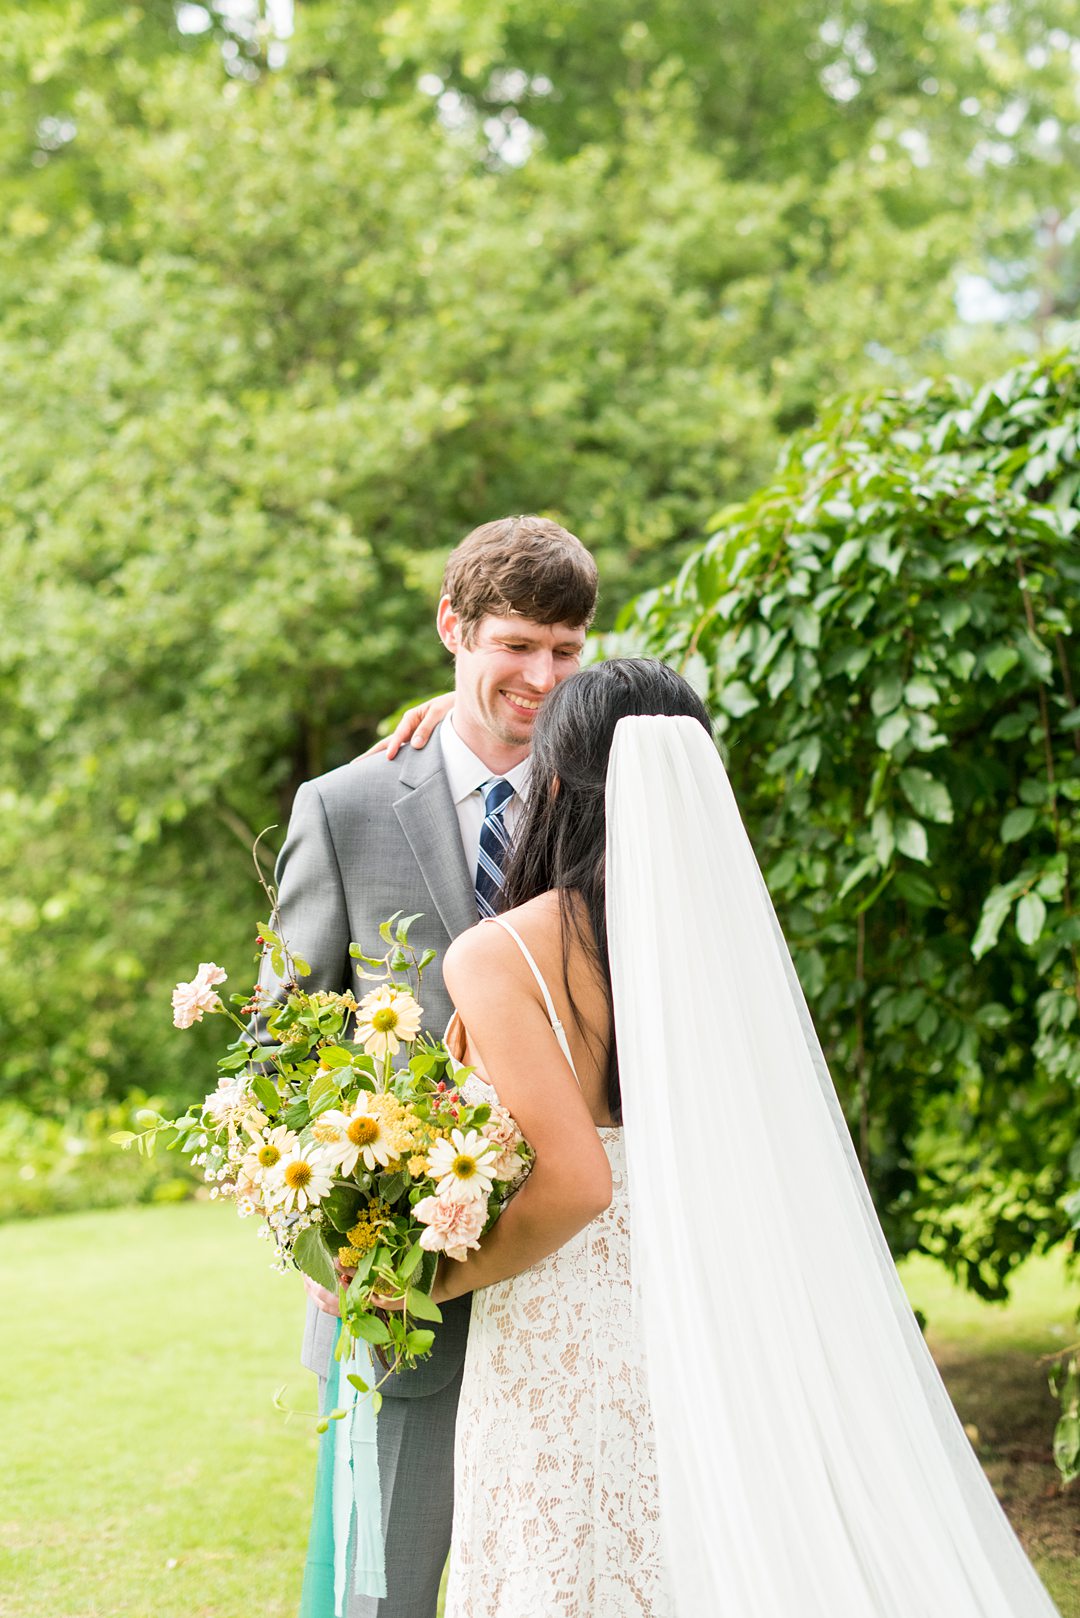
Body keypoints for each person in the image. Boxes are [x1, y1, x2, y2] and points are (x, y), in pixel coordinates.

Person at [403, 658, 1061, 1618]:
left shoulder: (499, 953)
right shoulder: (719, 943)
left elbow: (580, 1184)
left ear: (551, 780)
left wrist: (426, 1279)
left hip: (565, 1337)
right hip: (719, 1310)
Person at [261, 513, 598, 1618]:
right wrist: (318, 1223)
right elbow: (283, 1044)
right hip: (399, 1291)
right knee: (383, 1598)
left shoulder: (608, 802)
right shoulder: (345, 804)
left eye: (564, 650)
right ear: (453, 625)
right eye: (515, 644)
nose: (541, 677)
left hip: (572, 1287)